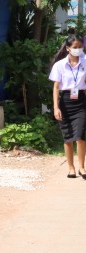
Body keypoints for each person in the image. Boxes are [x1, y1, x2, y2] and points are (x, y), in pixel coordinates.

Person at [49, 34, 86, 179]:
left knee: (81, 136)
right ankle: (71, 168)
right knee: (68, 137)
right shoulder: (60, 65)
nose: (78, 50)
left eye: (80, 47)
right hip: (65, 101)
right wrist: (56, 107)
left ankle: (82, 167)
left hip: (81, 101)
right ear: (68, 48)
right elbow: (56, 87)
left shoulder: (85, 62)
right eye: (75, 47)